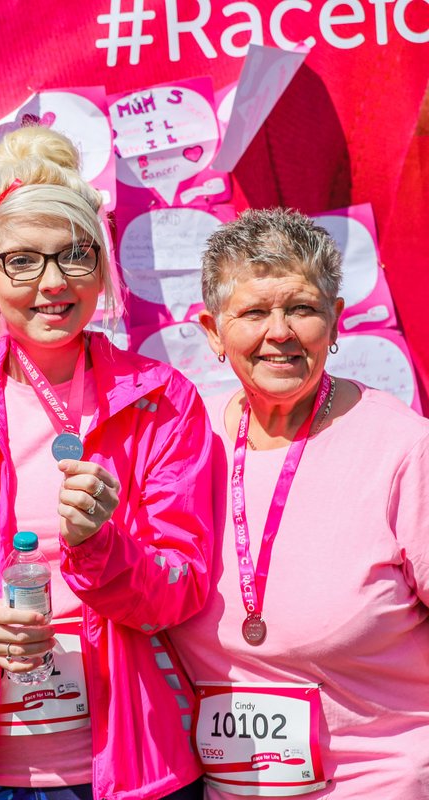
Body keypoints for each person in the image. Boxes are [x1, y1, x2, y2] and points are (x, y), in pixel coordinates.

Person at [0, 126, 214, 800]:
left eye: (74, 256)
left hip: (138, 768)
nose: (51, 283)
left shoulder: (162, 400)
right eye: (21, 261)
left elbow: (182, 587)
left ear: (101, 265)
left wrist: (100, 545)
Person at [169, 208, 429, 798]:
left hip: (382, 779)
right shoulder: (185, 442)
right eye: (254, 313)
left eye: (302, 309)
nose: (280, 332)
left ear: (335, 321)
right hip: (232, 784)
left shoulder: (403, 449)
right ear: (213, 330)